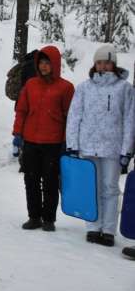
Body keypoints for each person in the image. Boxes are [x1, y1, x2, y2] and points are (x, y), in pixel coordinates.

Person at [65, 44, 134, 247]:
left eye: (107, 62)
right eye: (99, 62)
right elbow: (74, 116)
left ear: (113, 64)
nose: (103, 66)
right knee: (91, 188)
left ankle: (109, 230)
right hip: (87, 146)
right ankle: (93, 228)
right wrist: (72, 144)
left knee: (110, 188)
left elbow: (130, 120)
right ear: (95, 65)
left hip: (112, 148)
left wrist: (126, 150)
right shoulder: (84, 88)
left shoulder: (125, 89)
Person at [13, 45, 74, 232]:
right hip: (31, 140)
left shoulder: (66, 87)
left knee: (50, 182)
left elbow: (69, 116)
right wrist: (17, 134)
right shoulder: (31, 85)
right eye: (41, 63)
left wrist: (67, 142)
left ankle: (48, 219)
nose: (44, 66)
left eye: (47, 63)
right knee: (30, 180)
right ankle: (34, 217)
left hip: (53, 143)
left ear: (55, 64)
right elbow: (22, 110)